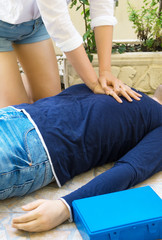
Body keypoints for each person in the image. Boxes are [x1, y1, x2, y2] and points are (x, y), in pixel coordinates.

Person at [0, 83, 161, 232]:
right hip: (18, 122)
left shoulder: (120, 89)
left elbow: (129, 169)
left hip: (26, 137)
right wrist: (65, 207)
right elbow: (129, 169)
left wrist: (66, 207)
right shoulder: (119, 87)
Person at [0, 0, 141, 108]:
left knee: (51, 107)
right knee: (16, 116)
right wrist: (93, 84)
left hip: (35, 24)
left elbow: (103, 12)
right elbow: (61, 27)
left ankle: (15, 80)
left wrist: (105, 72)